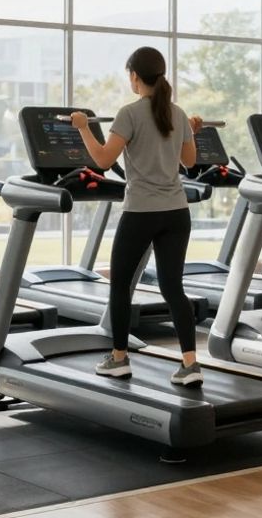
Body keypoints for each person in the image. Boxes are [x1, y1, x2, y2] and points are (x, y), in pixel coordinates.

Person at [71, 46, 206, 384]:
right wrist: (190, 132)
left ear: (134, 76)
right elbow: (189, 162)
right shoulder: (177, 113)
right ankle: (190, 364)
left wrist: (83, 127)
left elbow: (102, 160)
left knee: (120, 286)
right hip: (176, 212)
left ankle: (119, 359)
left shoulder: (129, 113)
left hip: (141, 212)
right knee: (173, 288)